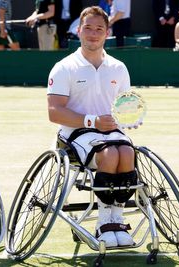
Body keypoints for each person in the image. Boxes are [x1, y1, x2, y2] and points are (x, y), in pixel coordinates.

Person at [47, 6, 136, 247]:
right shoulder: (64, 66)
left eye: (99, 29)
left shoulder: (119, 67)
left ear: (107, 32)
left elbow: (126, 106)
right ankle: (104, 224)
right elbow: (54, 112)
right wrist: (92, 121)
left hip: (113, 134)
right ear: (79, 31)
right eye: (88, 28)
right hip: (75, 135)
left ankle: (116, 220)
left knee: (127, 153)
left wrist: (131, 117)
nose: (93, 34)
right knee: (110, 155)